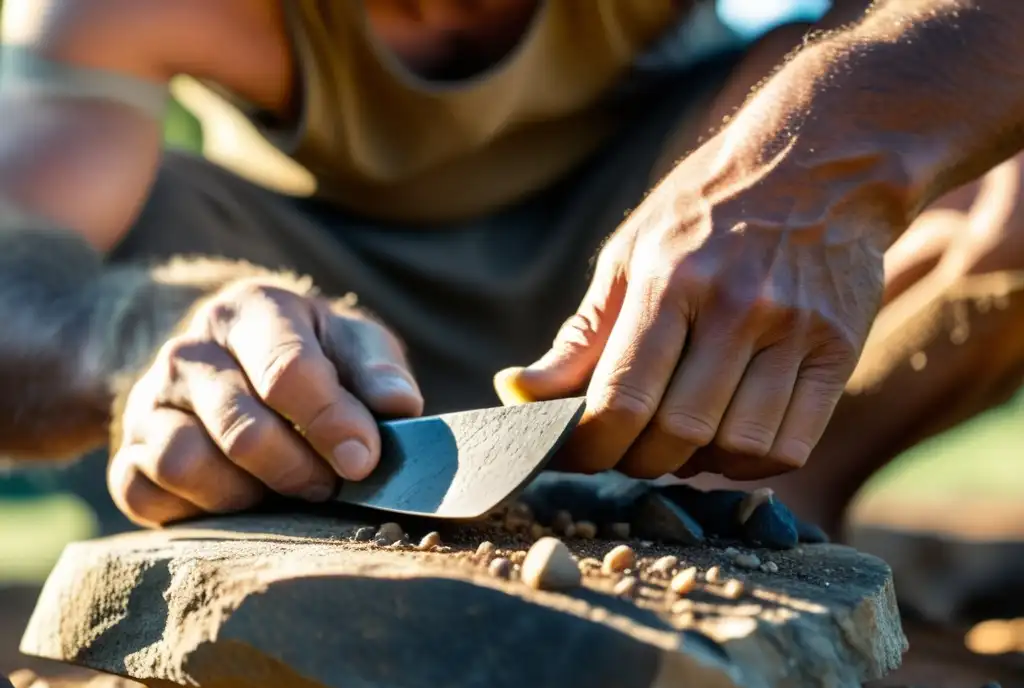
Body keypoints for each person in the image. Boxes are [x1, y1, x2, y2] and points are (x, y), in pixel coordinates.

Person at [0, 0, 1023, 535]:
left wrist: (822, 158)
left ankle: (758, 506)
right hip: (329, 394)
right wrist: (150, 336)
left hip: (692, 308)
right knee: (114, 235)